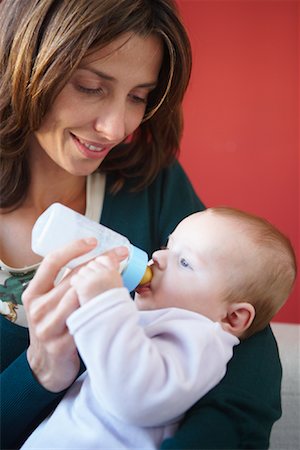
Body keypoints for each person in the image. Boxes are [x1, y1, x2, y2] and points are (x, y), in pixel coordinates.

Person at [0, 0, 286, 448]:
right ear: (25, 62)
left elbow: (242, 343)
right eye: (91, 86)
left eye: (139, 96)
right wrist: (38, 372)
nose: (116, 129)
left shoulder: (147, 180)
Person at [21, 206, 297, 449]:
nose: (158, 257)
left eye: (185, 262)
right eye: (168, 245)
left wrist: (104, 303)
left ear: (233, 318)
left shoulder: (203, 341)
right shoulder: (156, 318)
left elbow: (135, 398)